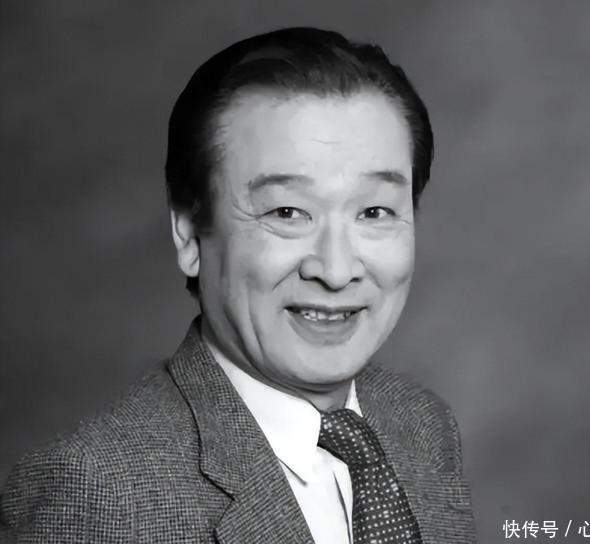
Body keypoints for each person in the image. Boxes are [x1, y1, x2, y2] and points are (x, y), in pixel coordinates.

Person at [0, 27, 476, 543]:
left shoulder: (421, 423)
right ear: (189, 233)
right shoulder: (96, 492)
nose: (337, 270)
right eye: (287, 212)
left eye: (375, 211)